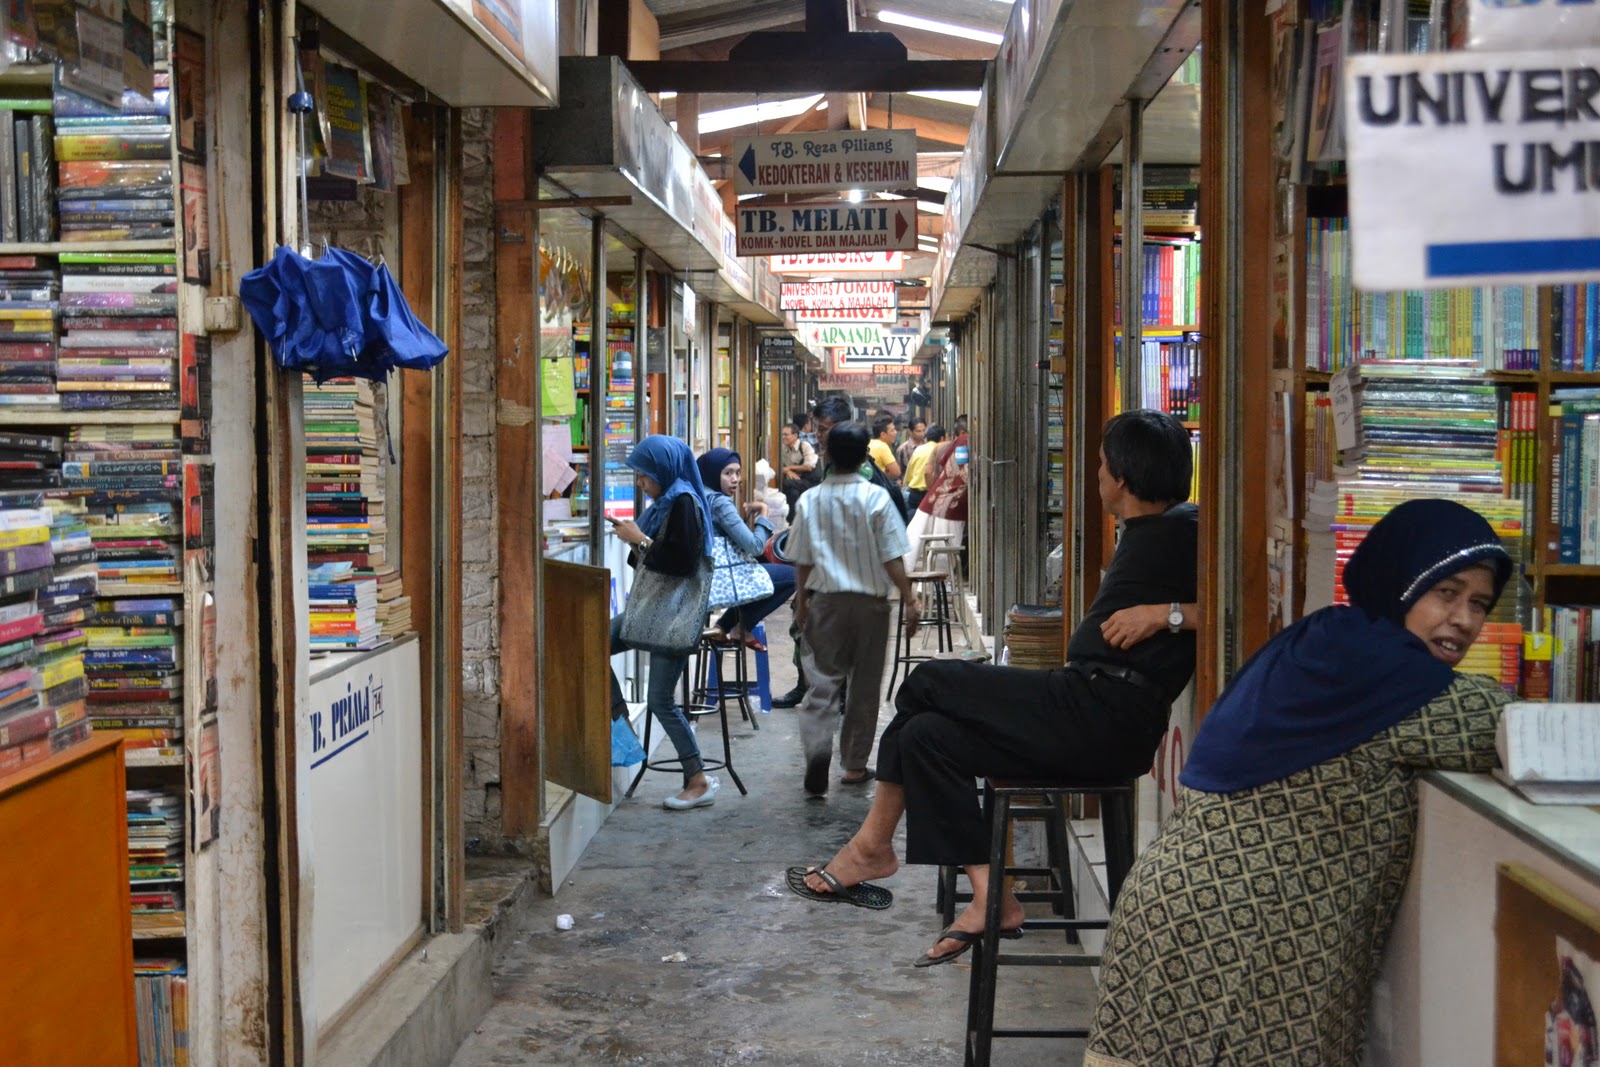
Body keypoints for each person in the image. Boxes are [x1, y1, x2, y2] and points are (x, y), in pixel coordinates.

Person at [1085, 498, 1514, 1067]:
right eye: (1446, 593)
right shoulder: (1389, 682)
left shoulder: (1327, 640)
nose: (1462, 618)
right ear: (1400, 581)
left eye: (1478, 603)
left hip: (1175, 917)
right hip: (1240, 949)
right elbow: (1515, 730)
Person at [785, 410, 1198, 965]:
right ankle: (990, 893)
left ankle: (872, 847)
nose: (1096, 474)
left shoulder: (1184, 529)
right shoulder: (1155, 531)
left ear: (1121, 477)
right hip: (1086, 703)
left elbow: (1242, 601)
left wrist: (1166, 614)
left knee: (929, 679)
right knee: (924, 737)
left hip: (1103, 713)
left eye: (1100, 465)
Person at [787, 421, 919, 794]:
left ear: (826, 455)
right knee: (864, 686)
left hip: (825, 602)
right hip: (871, 606)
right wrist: (909, 598)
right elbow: (893, 555)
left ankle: (817, 748)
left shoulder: (810, 500)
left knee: (822, 682)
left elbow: (801, 559)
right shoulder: (877, 498)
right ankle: (854, 767)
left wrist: (802, 602)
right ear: (865, 456)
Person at [606, 435, 721, 811]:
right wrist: (635, 541)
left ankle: (698, 779)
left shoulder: (683, 502)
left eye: (645, 475)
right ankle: (619, 720)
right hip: (652, 612)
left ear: (664, 470)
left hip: (672, 617)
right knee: (588, 641)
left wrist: (639, 541)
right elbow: (652, 558)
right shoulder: (666, 503)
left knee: (659, 700)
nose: (641, 482)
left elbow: (680, 562)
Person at [773, 396, 909, 710]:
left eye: (827, 430)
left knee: (834, 649)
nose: (822, 436)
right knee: (804, 634)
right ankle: (810, 687)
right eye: (819, 429)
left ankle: (833, 695)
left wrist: (908, 596)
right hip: (829, 577)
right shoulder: (831, 466)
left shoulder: (859, 474)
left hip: (845, 580)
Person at [697, 447, 797, 650]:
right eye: (727, 473)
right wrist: (764, 512)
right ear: (713, 473)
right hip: (724, 577)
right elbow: (756, 547)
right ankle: (741, 628)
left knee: (764, 575)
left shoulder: (701, 496)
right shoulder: (720, 503)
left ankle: (722, 628)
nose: (735, 479)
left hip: (706, 573)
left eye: (737, 472)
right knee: (793, 576)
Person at [904, 413, 968, 568]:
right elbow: (962, 472)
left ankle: (902, 580)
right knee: (943, 547)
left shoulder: (950, 444)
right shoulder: (965, 440)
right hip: (953, 501)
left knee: (914, 539)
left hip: (935, 496)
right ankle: (937, 586)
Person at [903, 423, 944, 515]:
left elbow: (909, 477)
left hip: (914, 495)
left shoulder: (918, 449)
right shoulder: (941, 450)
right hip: (930, 494)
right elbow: (928, 473)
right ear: (942, 438)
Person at [779, 421, 818, 516]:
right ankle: (793, 520)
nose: (784, 437)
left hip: (809, 481)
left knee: (787, 483)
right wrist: (787, 471)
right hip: (796, 482)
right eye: (782, 435)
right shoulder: (784, 449)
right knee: (793, 493)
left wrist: (789, 468)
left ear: (795, 435)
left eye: (786, 435)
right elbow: (782, 466)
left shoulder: (804, 446)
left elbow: (809, 467)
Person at [868, 413, 903, 482]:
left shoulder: (870, 443)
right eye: (892, 430)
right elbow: (896, 472)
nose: (895, 433)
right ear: (883, 434)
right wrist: (883, 476)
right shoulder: (882, 446)